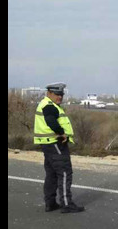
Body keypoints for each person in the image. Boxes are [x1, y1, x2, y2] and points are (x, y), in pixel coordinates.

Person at [34, 83, 85, 213]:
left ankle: (50, 203)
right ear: (49, 93)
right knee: (64, 173)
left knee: (51, 174)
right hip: (55, 143)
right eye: (57, 94)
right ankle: (67, 203)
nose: (60, 97)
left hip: (47, 145)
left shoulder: (45, 104)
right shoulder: (50, 106)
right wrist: (62, 133)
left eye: (61, 95)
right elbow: (51, 121)